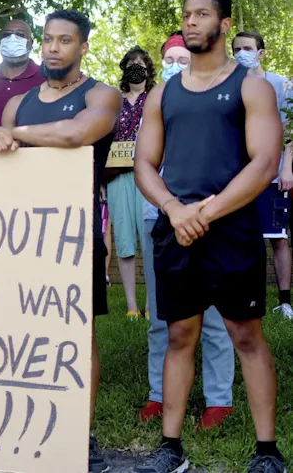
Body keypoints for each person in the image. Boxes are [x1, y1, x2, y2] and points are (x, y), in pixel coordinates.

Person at [133, 0, 286, 473]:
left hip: (232, 230)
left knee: (246, 335)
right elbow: (143, 163)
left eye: (202, 14)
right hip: (176, 228)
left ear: (224, 24)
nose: (191, 22)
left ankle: (267, 451)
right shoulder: (163, 93)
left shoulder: (250, 86)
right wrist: (175, 210)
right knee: (180, 335)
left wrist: (207, 211)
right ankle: (170, 448)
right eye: (186, 15)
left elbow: (264, 164)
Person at [0, 9, 121, 473]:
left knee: (79, 337)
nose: (52, 48)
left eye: (64, 41)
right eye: (47, 40)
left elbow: (77, 134)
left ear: (82, 47)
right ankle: (18, 429)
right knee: (18, 336)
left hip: (75, 236)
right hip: (18, 239)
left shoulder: (101, 95)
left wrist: (15, 135)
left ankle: (80, 436)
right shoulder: (17, 102)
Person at [137, 32, 235, 429]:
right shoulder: (156, 100)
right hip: (158, 215)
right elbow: (144, 161)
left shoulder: (220, 95)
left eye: (183, 57)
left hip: (210, 214)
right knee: (162, 314)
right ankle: (159, 394)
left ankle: (219, 400)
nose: (177, 63)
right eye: (170, 58)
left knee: (214, 315)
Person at [232, 31, 293, 319]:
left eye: (247, 48)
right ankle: (248, 297)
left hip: (273, 176)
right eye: (236, 49)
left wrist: (287, 167)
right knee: (243, 237)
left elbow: (290, 132)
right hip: (240, 177)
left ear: (261, 52)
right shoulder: (230, 85)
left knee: (278, 238)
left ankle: (284, 302)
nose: (241, 53)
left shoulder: (281, 85)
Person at [105, 46, 156, 319]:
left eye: (141, 64)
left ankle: (151, 305)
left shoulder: (158, 99)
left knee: (150, 241)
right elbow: (103, 137)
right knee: (124, 241)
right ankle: (131, 306)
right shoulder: (113, 100)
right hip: (117, 177)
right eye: (131, 64)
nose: (137, 68)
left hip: (149, 176)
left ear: (149, 69)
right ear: (124, 69)